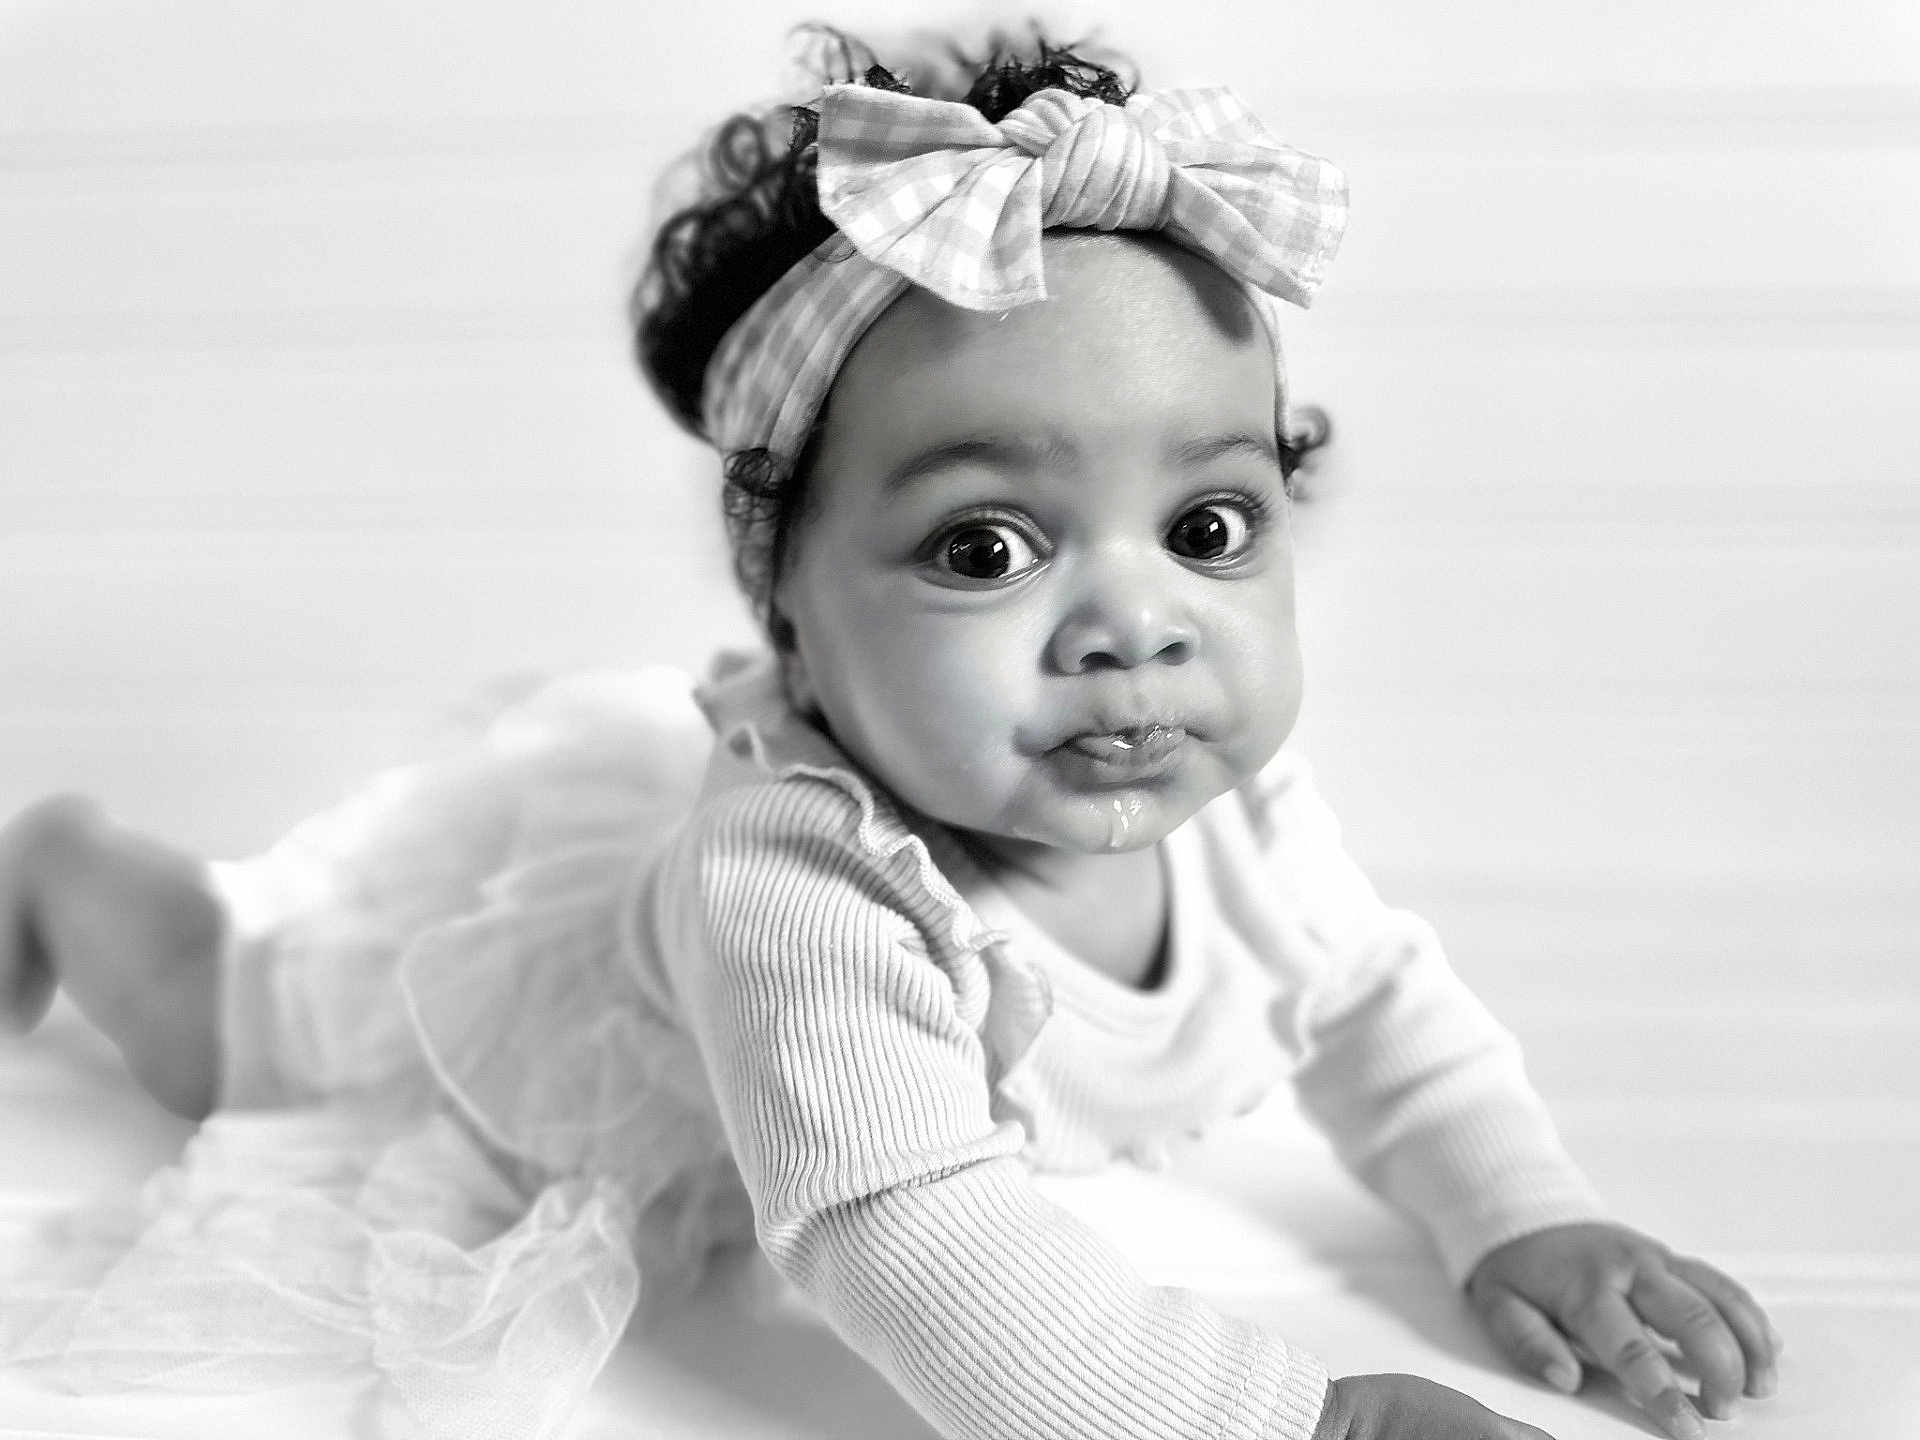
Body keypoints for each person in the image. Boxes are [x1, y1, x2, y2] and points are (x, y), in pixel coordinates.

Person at [0, 27, 1782, 1440]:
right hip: (532, 1046)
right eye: (984, 547)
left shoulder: (1221, 801)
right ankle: (73, 866)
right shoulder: (797, 878)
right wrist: (1284, 1418)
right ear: (782, 594)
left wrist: (1517, 1216)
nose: (1137, 621)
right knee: (222, 1032)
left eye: (1211, 528)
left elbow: (1379, 1007)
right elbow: (908, 1230)